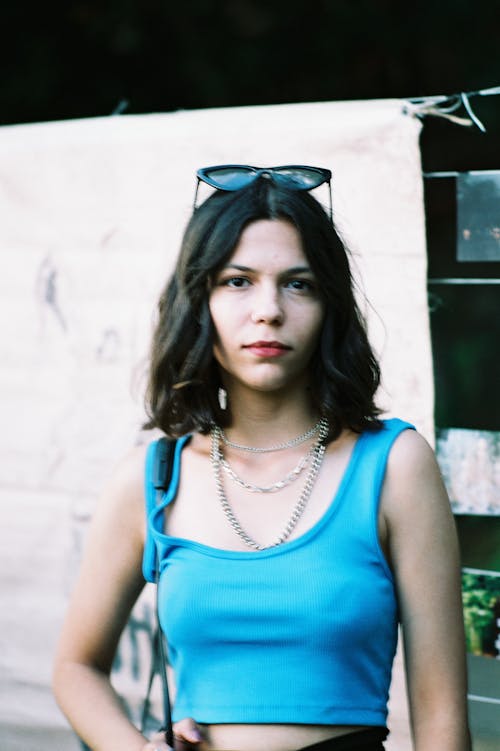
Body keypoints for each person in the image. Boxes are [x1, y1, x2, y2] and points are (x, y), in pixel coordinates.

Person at [53, 165, 471, 751]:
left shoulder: (395, 465)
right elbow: (75, 667)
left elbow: (442, 716)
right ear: (199, 300)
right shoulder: (152, 479)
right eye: (237, 281)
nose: (269, 310)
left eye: (298, 283)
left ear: (330, 304)